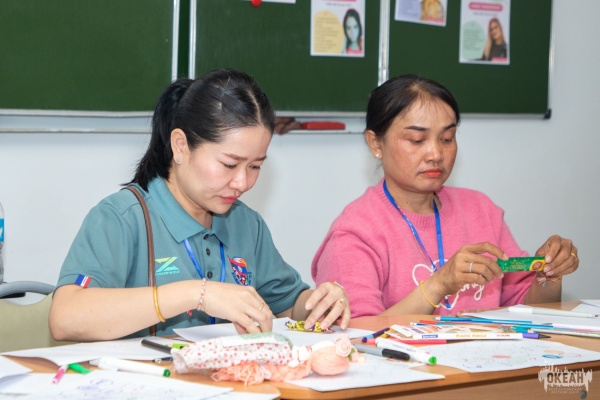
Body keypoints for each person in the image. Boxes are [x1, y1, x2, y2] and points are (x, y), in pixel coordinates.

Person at [49, 68, 350, 341]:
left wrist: (320, 303)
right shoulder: (122, 218)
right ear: (180, 146)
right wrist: (196, 294)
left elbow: (288, 305)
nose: (242, 183)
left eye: (255, 166)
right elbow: (66, 318)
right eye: (229, 164)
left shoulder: (245, 223)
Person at [311, 74, 579, 318]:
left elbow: (530, 310)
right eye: (417, 140)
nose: (436, 154)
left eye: (447, 138)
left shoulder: (481, 210)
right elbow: (356, 335)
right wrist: (439, 285)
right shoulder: (355, 231)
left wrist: (549, 274)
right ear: (375, 143)